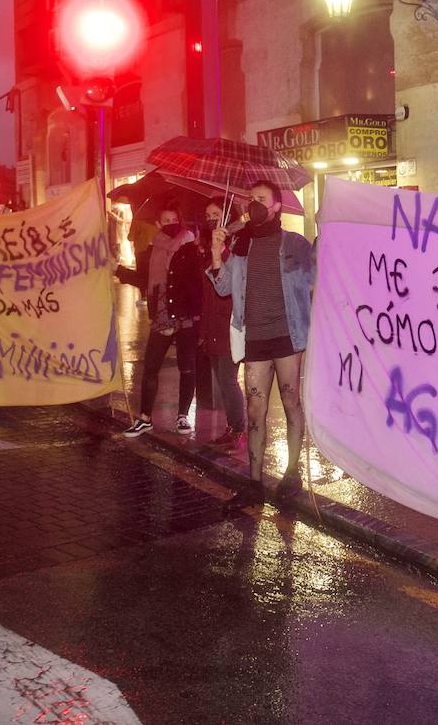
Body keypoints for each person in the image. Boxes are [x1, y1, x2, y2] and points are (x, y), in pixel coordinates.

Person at [209, 180, 315, 508]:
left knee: (291, 403)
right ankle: (254, 483)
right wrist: (216, 252)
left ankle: (292, 472)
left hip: (286, 336)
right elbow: (224, 288)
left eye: (261, 199)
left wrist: (327, 236)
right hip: (254, 338)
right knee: (256, 409)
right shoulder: (241, 245)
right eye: (251, 198)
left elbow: (317, 275)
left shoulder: (295, 244)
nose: (254, 203)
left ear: (276, 207)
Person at [122, 205, 194, 437]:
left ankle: (182, 416)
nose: (171, 222)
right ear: (159, 224)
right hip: (161, 315)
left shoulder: (190, 245)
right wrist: (117, 271)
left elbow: (196, 284)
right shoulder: (152, 249)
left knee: (187, 368)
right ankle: (145, 418)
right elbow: (143, 279)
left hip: (185, 316)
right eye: (166, 219)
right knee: (151, 367)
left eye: (175, 218)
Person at [201, 200, 247, 450]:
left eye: (216, 214)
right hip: (211, 324)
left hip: (230, 322)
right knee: (221, 379)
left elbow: (233, 281)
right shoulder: (206, 245)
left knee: (228, 379)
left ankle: (239, 428)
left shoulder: (237, 244)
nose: (211, 219)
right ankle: (232, 426)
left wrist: (221, 251)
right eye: (208, 214)